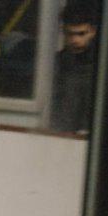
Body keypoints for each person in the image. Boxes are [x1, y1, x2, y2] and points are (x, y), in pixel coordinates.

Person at [51, 0, 99, 133]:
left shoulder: (100, 68)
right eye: (69, 34)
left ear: (93, 31)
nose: (75, 40)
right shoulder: (56, 64)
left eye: (81, 33)